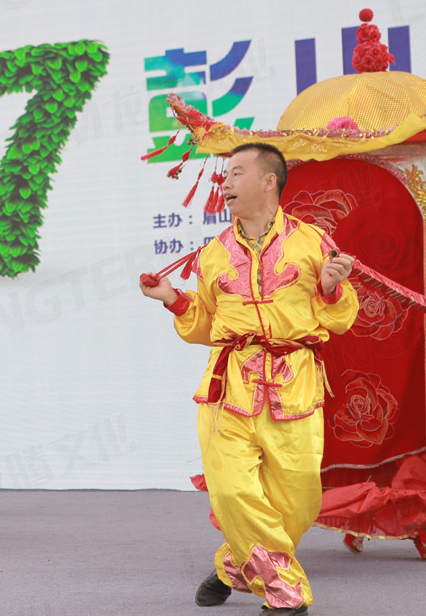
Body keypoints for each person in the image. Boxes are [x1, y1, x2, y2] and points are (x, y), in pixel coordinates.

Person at [140, 143, 359, 616]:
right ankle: (286, 595)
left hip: (294, 385)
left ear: (269, 181)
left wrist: (330, 287)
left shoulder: (312, 242)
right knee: (235, 492)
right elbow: (204, 325)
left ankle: (232, 566)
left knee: (298, 501)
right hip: (228, 385)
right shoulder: (213, 254)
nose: (225, 182)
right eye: (224, 174)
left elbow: (340, 318)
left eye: (236, 173)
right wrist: (172, 299)